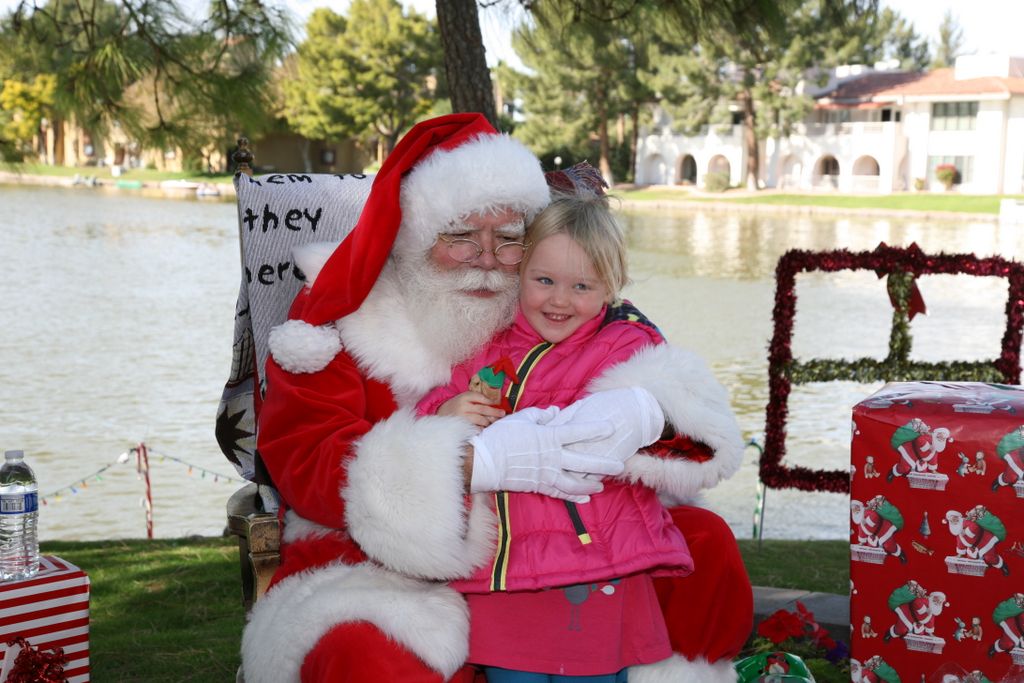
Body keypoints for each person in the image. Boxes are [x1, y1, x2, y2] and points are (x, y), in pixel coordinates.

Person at [240, 113, 750, 683]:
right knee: (370, 658)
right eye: (460, 235)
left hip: (557, 531)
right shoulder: (339, 318)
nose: (486, 257)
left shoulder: (545, 291)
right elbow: (305, 464)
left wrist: (646, 412)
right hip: (383, 560)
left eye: (508, 239)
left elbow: (685, 418)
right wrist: (464, 462)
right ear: (415, 234)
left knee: (706, 546)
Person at [415, 189, 695, 680]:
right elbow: (424, 416)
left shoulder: (627, 346)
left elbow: (668, 407)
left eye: (582, 286)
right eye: (544, 280)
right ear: (519, 274)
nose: (560, 300)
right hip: (506, 571)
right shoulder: (484, 343)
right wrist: (447, 411)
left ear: (611, 288)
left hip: (597, 561)